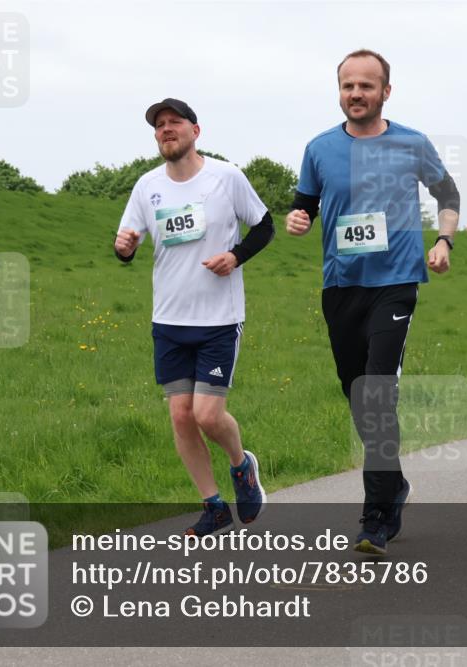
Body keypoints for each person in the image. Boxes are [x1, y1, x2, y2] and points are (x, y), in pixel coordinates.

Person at [286, 50, 460, 554]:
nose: (356, 93)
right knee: (358, 395)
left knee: (378, 392)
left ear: (386, 91)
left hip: (396, 281)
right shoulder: (319, 148)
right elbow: (306, 205)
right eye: (347, 86)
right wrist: (300, 219)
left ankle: (377, 517)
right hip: (341, 286)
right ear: (338, 91)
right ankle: (395, 483)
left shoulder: (410, 142)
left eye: (366, 85)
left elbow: (448, 195)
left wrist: (445, 240)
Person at [114, 98, 273, 537]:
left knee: (206, 415)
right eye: (159, 125)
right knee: (181, 417)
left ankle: (242, 466)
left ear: (195, 131)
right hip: (168, 320)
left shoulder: (226, 177)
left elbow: (264, 226)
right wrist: (124, 249)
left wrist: (235, 256)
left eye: (175, 123)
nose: (167, 130)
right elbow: (126, 241)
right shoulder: (147, 186)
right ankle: (213, 506)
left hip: (219, 319)